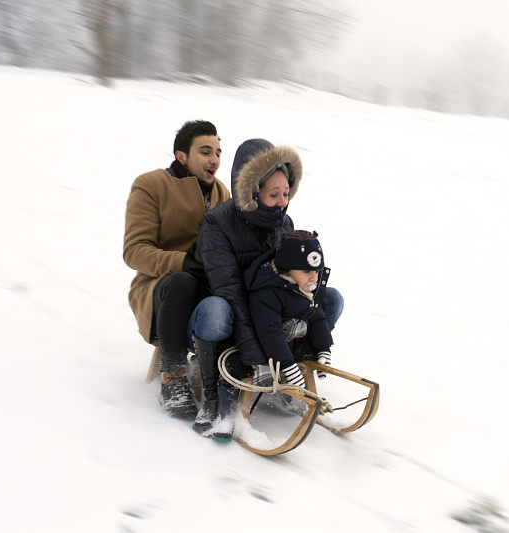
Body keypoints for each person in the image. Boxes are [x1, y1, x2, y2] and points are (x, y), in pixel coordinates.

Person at [194, 139, 344, 440]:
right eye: (273, 194)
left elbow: (289, 279)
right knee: (217, 311)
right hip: (224, 313)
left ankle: (288, 371)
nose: (282, 201)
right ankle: (213, 396)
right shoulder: (217, 224)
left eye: (286, 193)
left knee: (330, 299)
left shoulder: (283, 223)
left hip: (269, 310)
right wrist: (258, 355)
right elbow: (230, 292)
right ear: (252, 191)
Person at [123, 120, 233, 427]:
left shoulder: (223, 193)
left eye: (219, 152)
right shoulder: (151, 185)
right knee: (182, 281)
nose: (215, 159)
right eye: (205, 151)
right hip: (160, 288)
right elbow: (134, 250)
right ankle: (172, 376)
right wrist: (182, 262)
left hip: (207, 289)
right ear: (181, 155)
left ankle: (240, 375)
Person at [244, 230, 333, 388]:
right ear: (287, 269)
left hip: (289, 344)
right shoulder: (267, 292)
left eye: (317, 271)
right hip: (265, 349)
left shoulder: (301, 287)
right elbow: (270, 332)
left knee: (328, 301)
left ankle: (299, 365)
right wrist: (287, 365)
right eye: (307, 271)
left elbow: (317, 315)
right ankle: (283, 379)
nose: (313, 278)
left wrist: (323, 347)